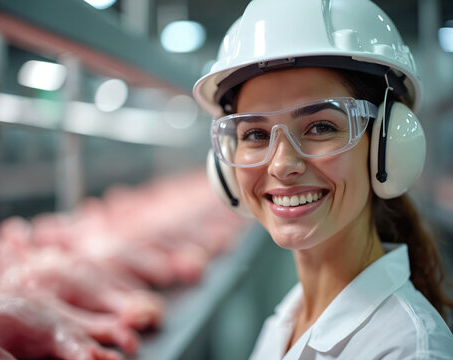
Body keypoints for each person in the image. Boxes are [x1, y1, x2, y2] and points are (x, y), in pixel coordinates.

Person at [193, 0, 453, 359]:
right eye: (254, 134)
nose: (283, 165)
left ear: (386, 146)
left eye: (321, 127)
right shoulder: (290, 316)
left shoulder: (409, 350)